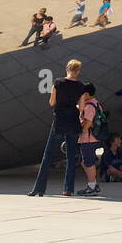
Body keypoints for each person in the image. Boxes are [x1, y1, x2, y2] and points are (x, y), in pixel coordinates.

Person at [29, 59, 86, 197]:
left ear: (67, 68)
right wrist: (74, 107)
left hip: (60, 121)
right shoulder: (81, 87)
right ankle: (68, 189)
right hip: (73, 121)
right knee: (71, 157)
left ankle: (39, 189)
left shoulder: (58, 83)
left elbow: (52, 102)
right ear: (78, 71)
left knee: (48, 155)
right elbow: (82, 107)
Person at [75, 84, 104, 196]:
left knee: (89, 163)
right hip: (91, 138)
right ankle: (94, 184)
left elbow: (88, 122)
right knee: (84, 162)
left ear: (86, 94)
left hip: (88, 138)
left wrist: (81, 129)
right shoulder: (95, 103)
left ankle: (91, 186)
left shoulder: (89, 106)